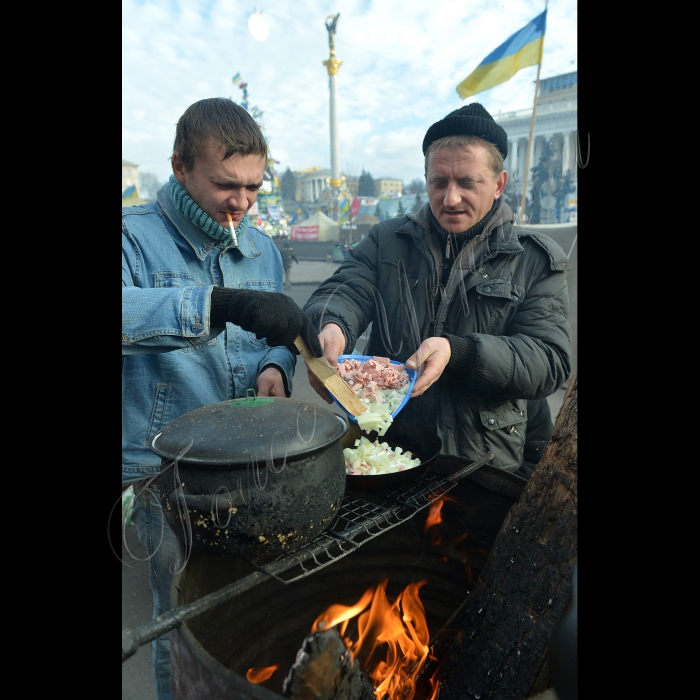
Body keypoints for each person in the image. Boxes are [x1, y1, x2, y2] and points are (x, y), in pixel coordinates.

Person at [122, 97, 322, 700]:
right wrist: (215, 304)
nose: (241, 203)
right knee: (181, 625)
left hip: (252, 461)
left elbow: (275, 339)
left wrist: (275, 366)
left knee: (249, 605)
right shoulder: (135, 237)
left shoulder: (260, 247)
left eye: (254, 189)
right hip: (168, 470)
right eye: (225, 186)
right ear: (181, 167)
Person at [303, 103, 571, 476]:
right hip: (391, 449)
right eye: (439, 182)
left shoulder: (535, 259)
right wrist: (330, 325)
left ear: (499, 184)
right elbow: (345, 289)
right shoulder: (386, 240)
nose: (450, 199)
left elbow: (551, 360)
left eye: (467, 183)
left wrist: (460, 353)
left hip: (483, 462)